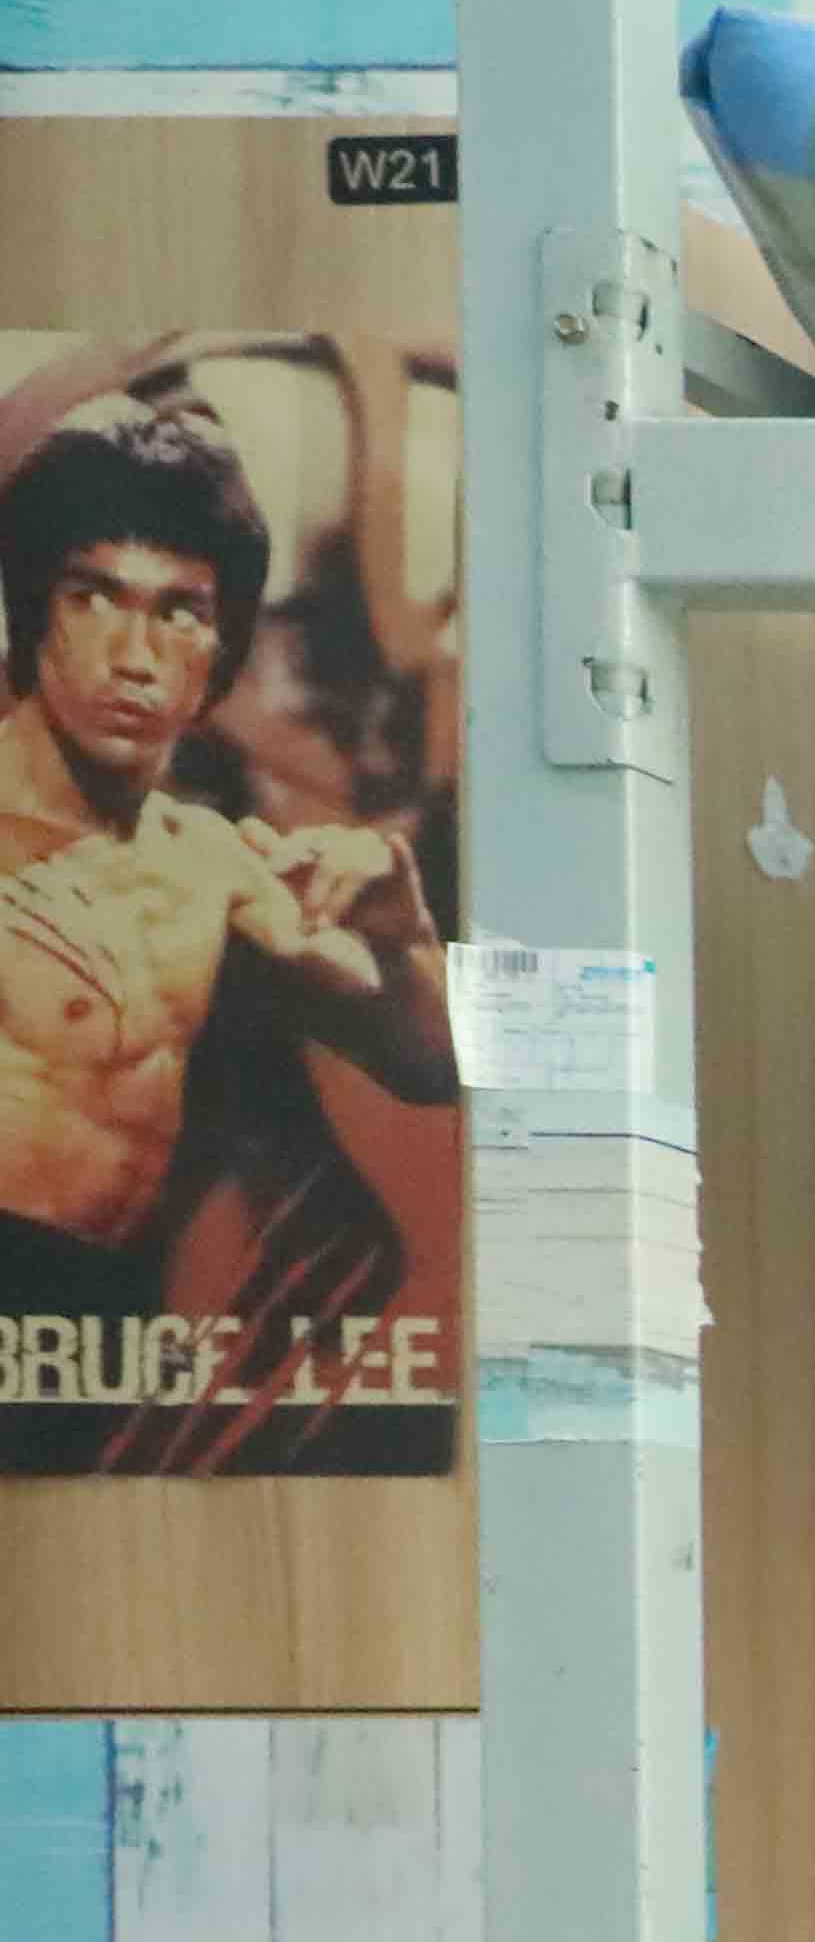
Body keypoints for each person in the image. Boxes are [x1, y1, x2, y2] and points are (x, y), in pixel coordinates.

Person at [0, 392, 444, 1343]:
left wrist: (403, 938)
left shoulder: (215, 866)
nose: (135, 657)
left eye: (180, 612)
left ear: (221, 650)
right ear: (32, 615)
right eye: (93, 597)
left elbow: (437, 1064)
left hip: (101, 1356)